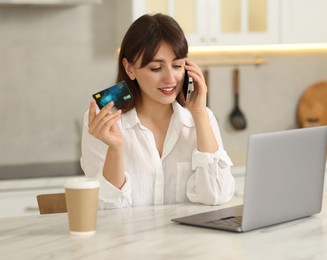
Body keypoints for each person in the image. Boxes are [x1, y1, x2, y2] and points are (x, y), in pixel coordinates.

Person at [81, 13, 235, 209]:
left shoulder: (202, 118)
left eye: (177, 66)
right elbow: (108, 211)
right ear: (130, 69)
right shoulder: (102, 122)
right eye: (156, 68)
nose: (170, 79)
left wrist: (199, 114)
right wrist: (116, 149)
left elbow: (217, 195)